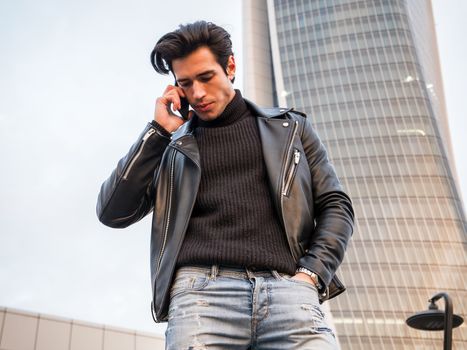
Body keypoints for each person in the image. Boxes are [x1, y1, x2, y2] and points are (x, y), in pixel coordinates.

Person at [97, 20, 354, 349]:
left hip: (289, 293)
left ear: (230, 66)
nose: (198, 93)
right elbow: (112, 212)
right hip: (202, 299)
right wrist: (158, 132)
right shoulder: (172, 146)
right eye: (185, 83)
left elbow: (336, 205)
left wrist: (311, 274)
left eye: (206, 77)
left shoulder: (291, 128)